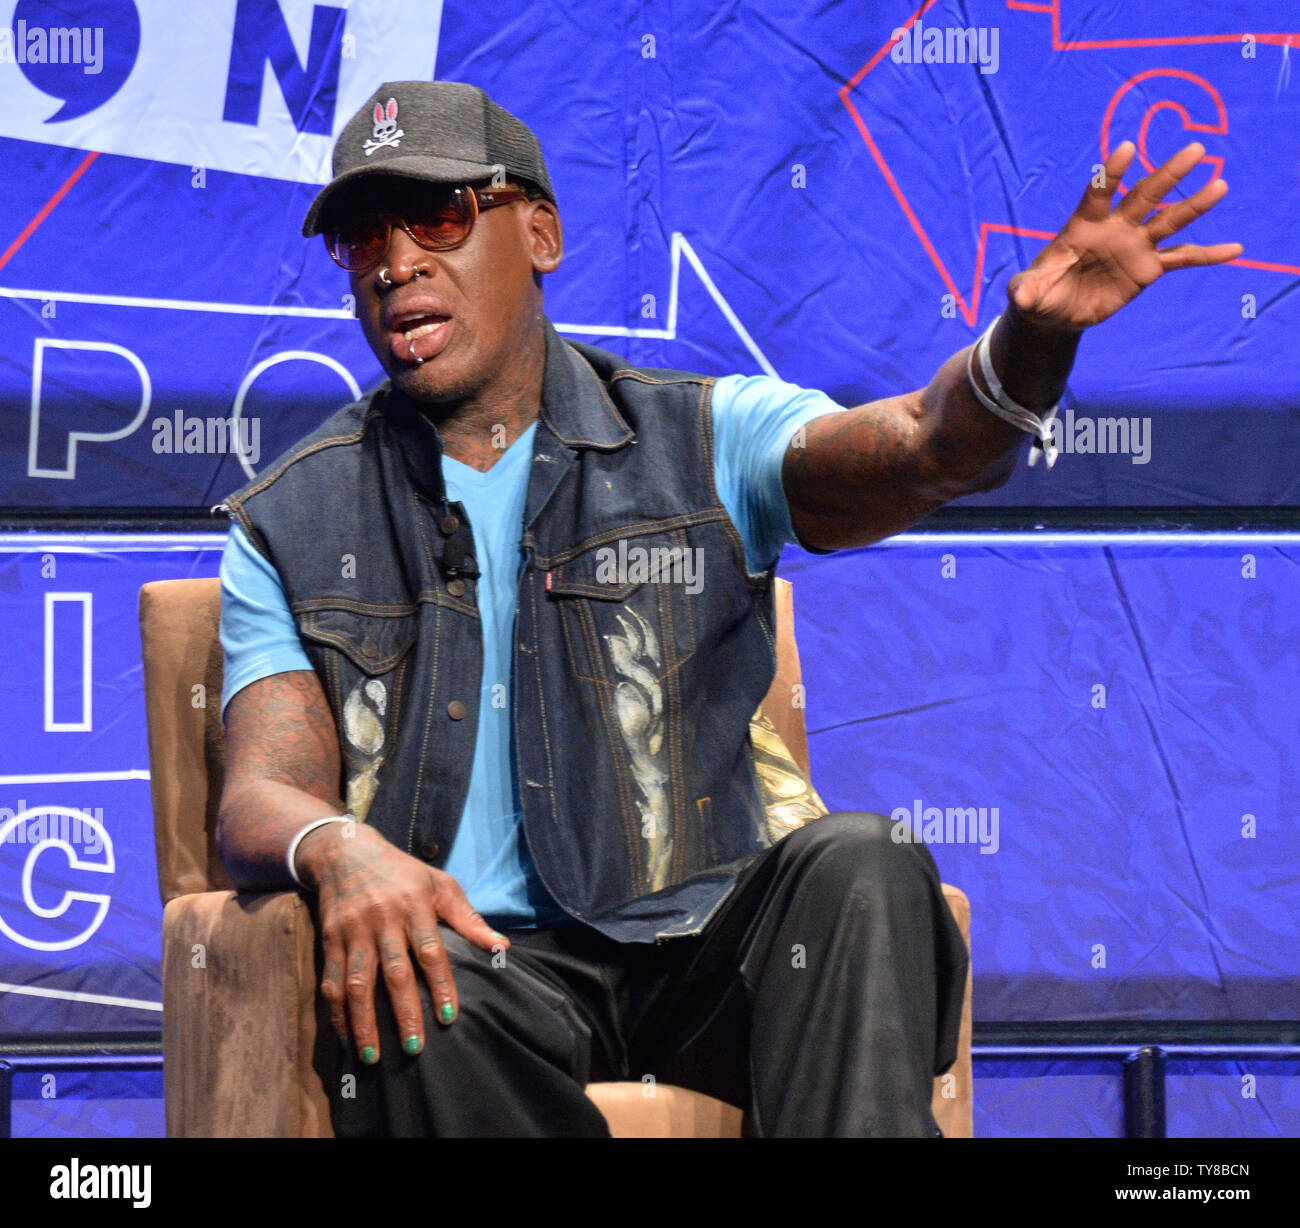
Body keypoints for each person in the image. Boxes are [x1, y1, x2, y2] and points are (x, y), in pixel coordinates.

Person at [214, 80, 1240, 1137]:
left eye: (438, 217)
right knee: (411, 996)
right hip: (481, 972)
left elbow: (927, 446)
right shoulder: (293, 515)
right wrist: (339, 846)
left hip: (709, 955)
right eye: (358, 236)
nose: (395, 263)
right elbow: (259, 795)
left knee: (861, 866)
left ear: (539, 233)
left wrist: (1024, 347)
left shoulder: (702, 437)